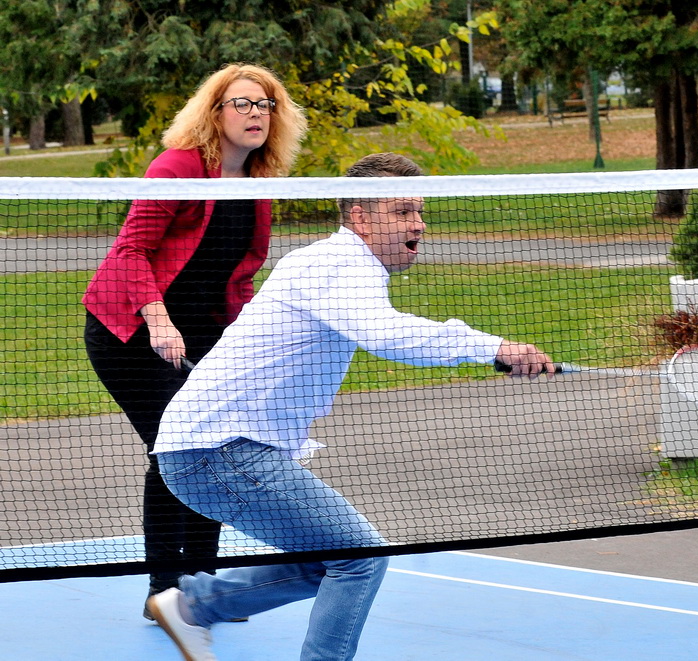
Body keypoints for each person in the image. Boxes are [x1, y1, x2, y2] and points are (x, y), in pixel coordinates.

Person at [145, 152, 555, 661]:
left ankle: (193, 606)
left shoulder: (341, 266)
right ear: (360, 216)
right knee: (361, 558)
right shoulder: (337, 266)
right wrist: (494, 347)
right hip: (217, 452)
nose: (419, 224)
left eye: (419, 211)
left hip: (210, 450)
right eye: (403, 212)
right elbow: (387, 335)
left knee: (332, 559)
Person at [82, 63, 308, 620]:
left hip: (203, 330)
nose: (256, 114)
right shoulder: (178, 166)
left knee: (214, 449)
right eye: (243, 103)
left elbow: (238, 273)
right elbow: (132, 251)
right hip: (131, 327)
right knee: (174, 450)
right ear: (215, 111)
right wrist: (159, 320)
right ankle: (163, 592)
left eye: (266, 105)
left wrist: (251, 341)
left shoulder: (259, 181)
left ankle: (201, 586)